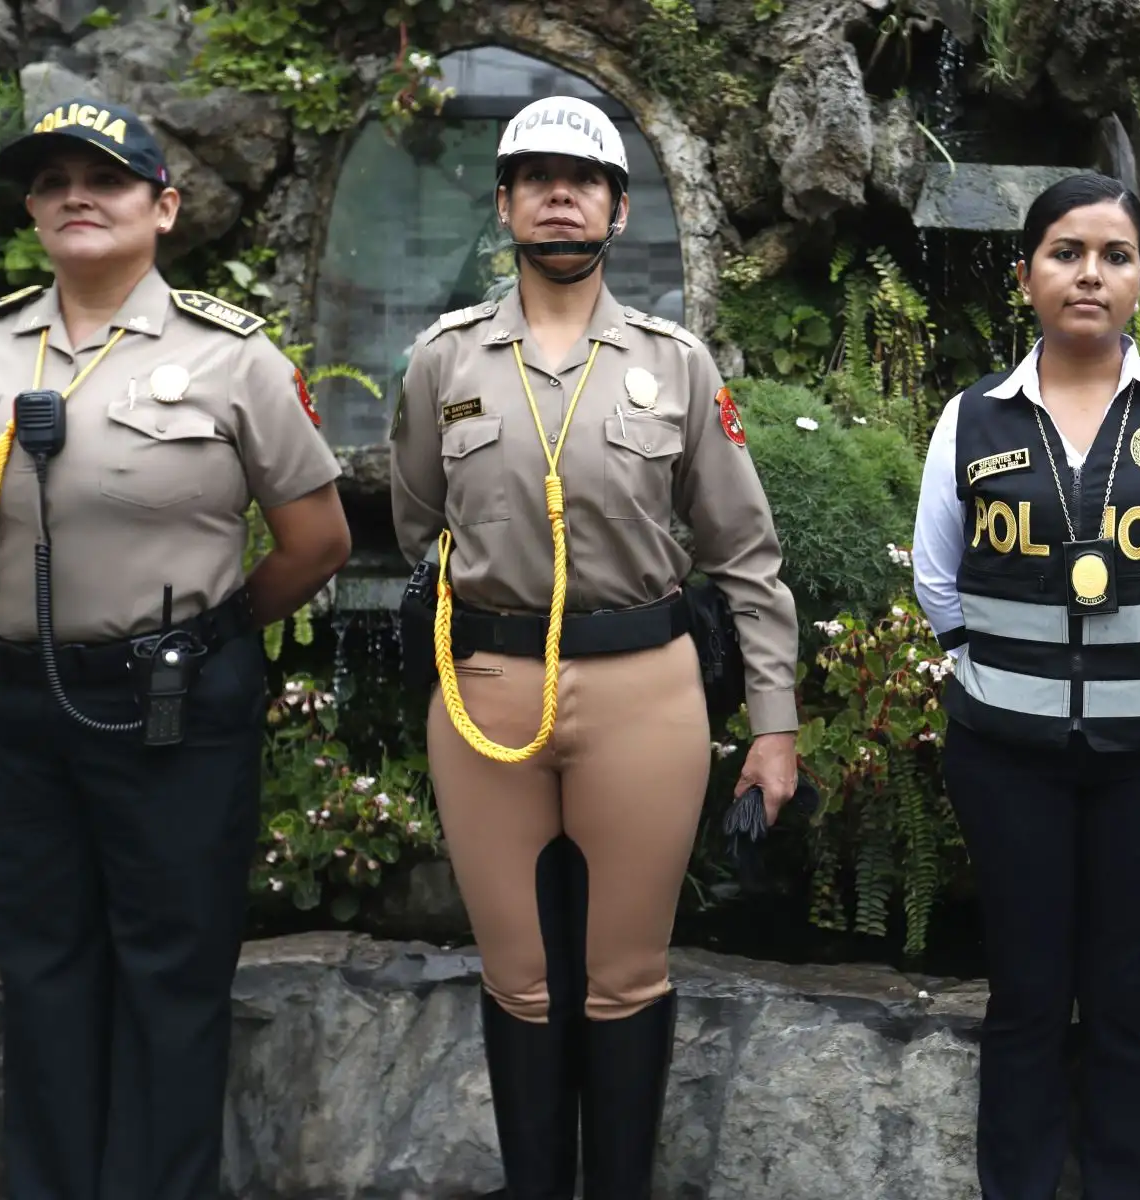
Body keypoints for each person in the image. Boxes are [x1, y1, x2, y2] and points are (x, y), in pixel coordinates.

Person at [0, 98, 351, 1199]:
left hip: (170, 707)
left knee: (170, 976)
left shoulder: (229, 355)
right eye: (52, 182)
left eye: (102, 177)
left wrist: (209, 632)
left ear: (164, 206)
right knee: (43, 972)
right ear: (34, 211)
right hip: (10, 704)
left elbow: (318, 539)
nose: (74, 197)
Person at [387, 94, 799, 1199]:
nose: (558, 193)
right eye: (535, 177)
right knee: (519, 976)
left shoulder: (677, 366)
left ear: (619, 212)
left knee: (623, 974)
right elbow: (414, 513)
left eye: (584, 179)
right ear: (507, 205)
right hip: (487, 691)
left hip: (644, 692)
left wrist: (773, 727)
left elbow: (745, 557)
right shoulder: (445, 364)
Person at [911, 171, 1140, 1200]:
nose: (1089, 274)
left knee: (1125, 997)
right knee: (1024, 993)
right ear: (1026, 277)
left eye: (1114, 255)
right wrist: (990, 677)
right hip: (1007, 758)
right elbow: (939, 577)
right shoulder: (973, 418)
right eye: (1067, 253)